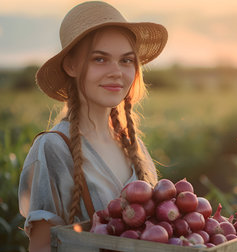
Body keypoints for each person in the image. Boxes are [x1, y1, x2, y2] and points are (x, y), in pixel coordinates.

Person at [18, 1, 168, 251]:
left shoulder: (134, 146)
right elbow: (41, 247)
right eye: (100, 59)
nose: (116, 72)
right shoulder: (53, 148)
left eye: (126, 60)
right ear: (71, 65)